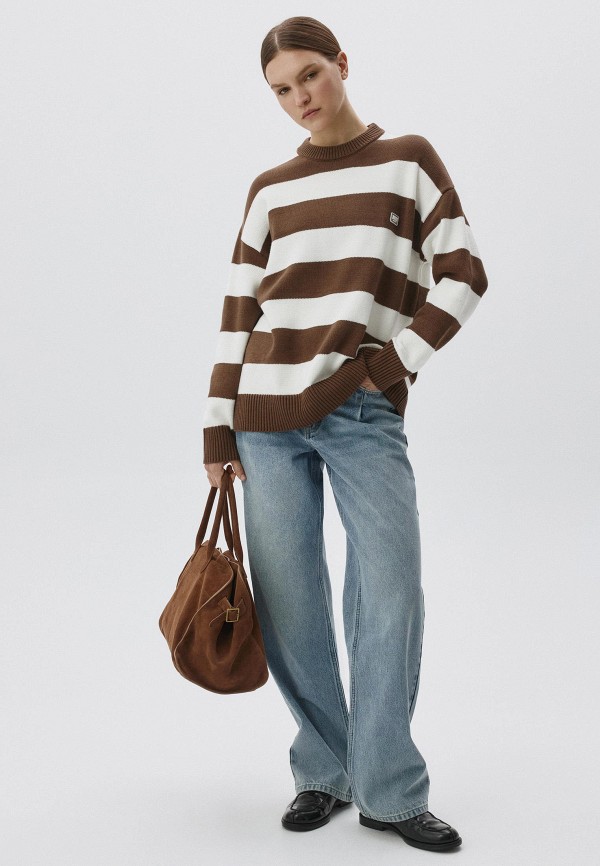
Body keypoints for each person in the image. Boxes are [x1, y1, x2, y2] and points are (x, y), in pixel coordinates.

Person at [202, 15, 488, 853]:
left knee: (391, 592)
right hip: (264, 420)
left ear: (341, 64)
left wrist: (389, 364)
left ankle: (390, 790)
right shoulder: (268, 189)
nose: (300, 97)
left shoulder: (408, 160)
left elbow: (466, 273)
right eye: (281, 90)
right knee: (290, 604)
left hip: (362, 413)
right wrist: (217, 433)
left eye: (310, 76)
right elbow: (238, 315)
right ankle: (324, 771)